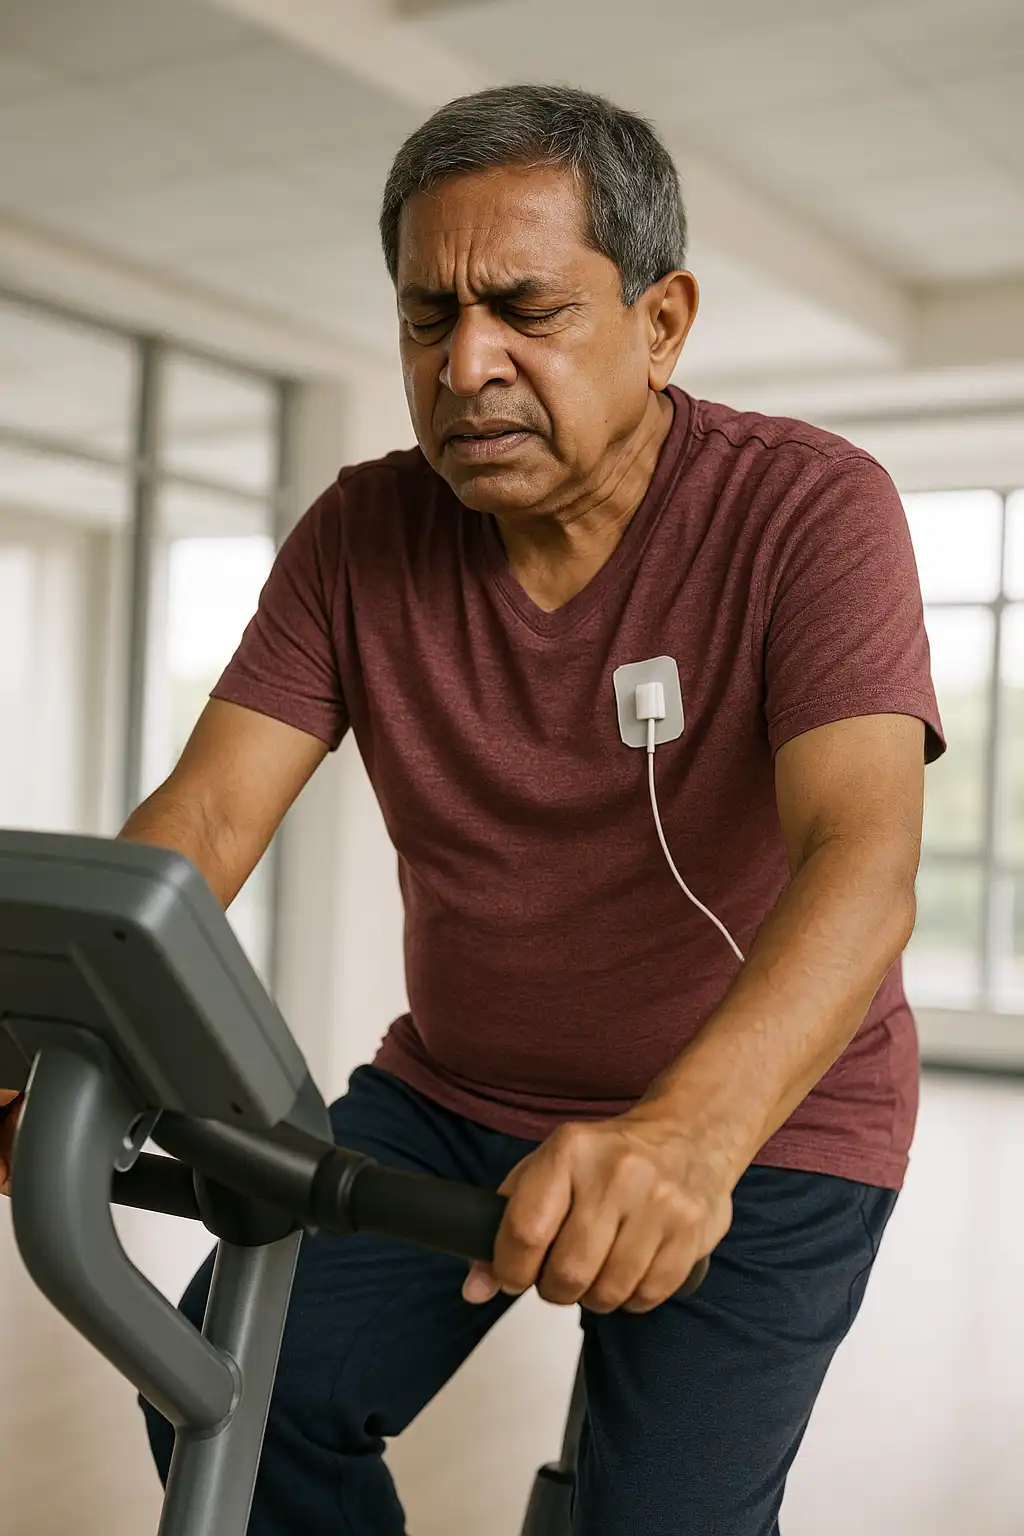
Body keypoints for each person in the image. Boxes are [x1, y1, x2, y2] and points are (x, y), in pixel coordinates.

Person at [1, 85, 943, 1535]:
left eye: (526, 310)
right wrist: (44, 1038)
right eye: (427, 318)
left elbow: (861, 859)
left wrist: (686, 1140)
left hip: (765, 1115)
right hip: (457, 1092)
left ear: (662, 321)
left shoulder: (808, 509)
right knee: (230, 1395)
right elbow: (205, 820)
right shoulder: (361, 534)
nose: (466, 364)